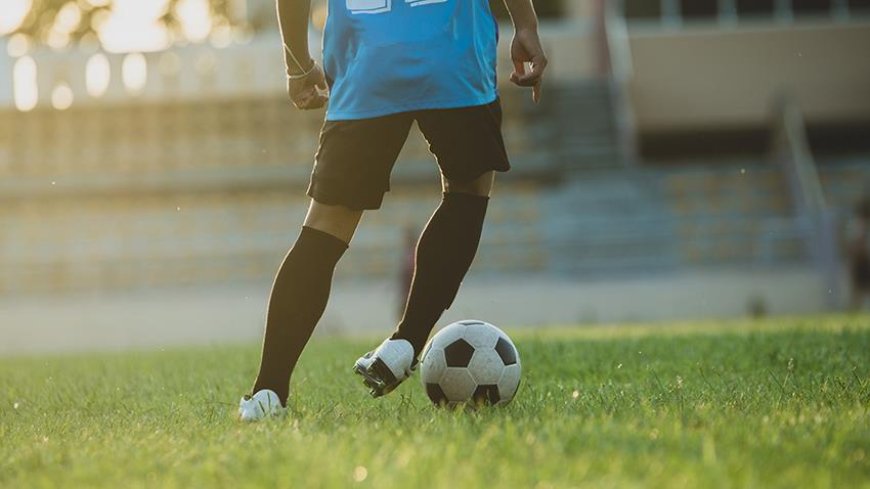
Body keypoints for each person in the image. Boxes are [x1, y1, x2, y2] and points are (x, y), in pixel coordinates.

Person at [239, 0, 548, 421]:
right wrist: (525, 23)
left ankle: (267, 394)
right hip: (453, 51)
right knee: (468, 190)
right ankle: (408, 340)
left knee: (326, 224)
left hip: (367, 59)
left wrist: (297, 64)